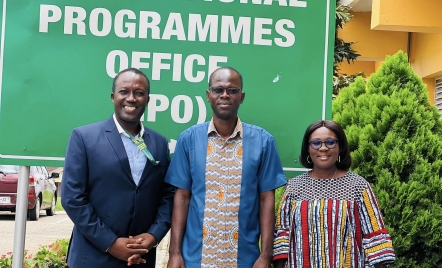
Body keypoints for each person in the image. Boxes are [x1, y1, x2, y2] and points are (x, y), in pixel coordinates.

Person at [165, 67, 287, 268]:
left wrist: (265, 256)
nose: (225, 95)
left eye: (232, 90)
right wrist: (175, 253)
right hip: (195, 259)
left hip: (244, 260)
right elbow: (182, 197)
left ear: (242, 96)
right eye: (218, 90)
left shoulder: (263, 141)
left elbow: (266, 199)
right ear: (208, 95)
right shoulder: (189, 139)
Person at [61, 67, 175, 267]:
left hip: (141, 258)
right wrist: (111, 243)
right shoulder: (84, 138)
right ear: (113, 97)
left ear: (148, 99)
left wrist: (153, 236)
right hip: (93, 257)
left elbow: (167, 196)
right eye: (124, 92)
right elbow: (73, 199)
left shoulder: (159, 143)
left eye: (139, 93)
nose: (131, 98)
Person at [273, 120, 396, 268]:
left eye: (330, 142)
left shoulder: (358, 186)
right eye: (316, 143)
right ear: (308, 149)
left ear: (340, 147)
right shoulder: (294, 187)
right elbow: (282, 239)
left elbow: (375, 239)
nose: (323, 148)